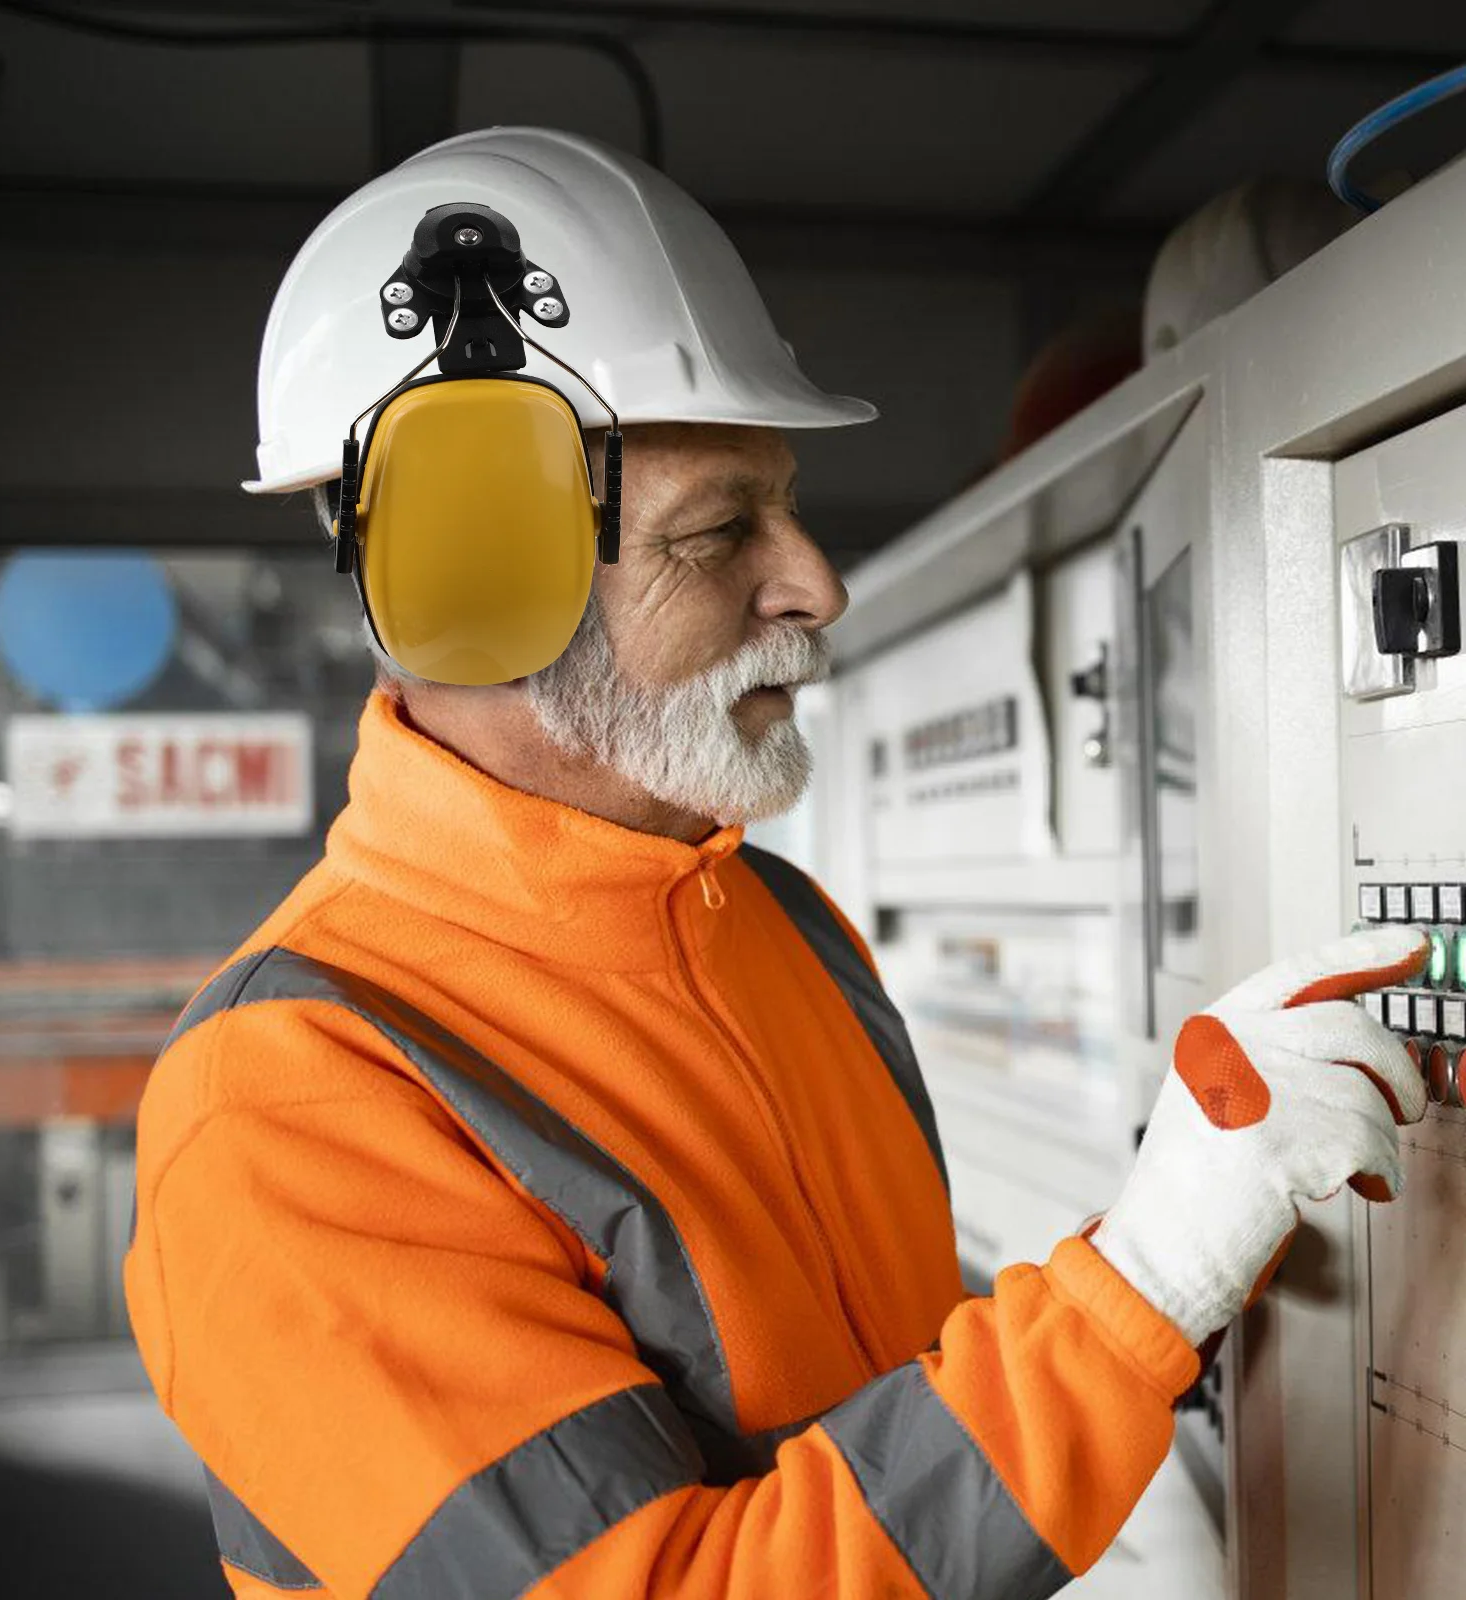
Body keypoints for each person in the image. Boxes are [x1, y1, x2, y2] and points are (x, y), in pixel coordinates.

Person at [124, 127, 1428, 1599]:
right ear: (470, 583)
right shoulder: (289, 1101)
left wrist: (1149, 1271)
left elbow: (871, 1391)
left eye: (785, 506)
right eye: (721, 529)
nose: (814, 581)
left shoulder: (779, 922)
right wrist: (1150, 1282)